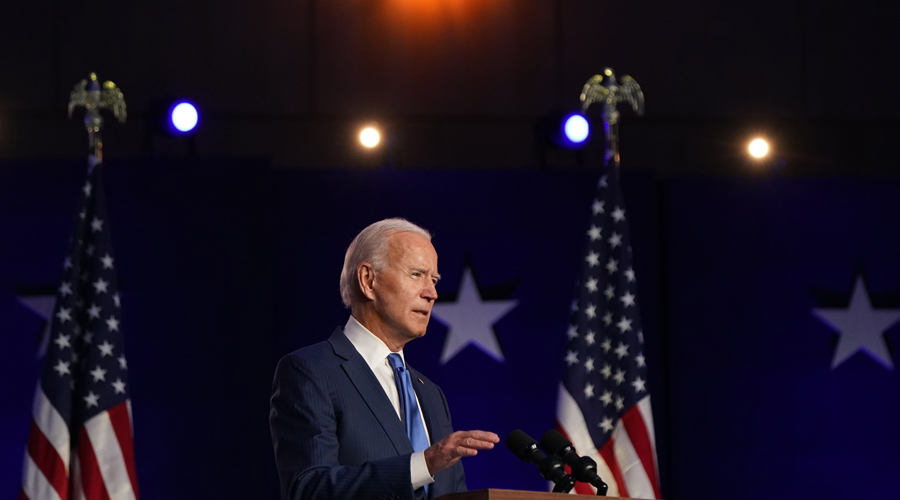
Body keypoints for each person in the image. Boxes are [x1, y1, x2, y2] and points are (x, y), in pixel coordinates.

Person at [270, 218, 499, 500]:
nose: (432, 293)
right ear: (368, 280)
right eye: (417, 274)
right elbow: (309, 489)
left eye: (434, 279)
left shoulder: (431, 393)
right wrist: (423, 464)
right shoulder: (311, 370)